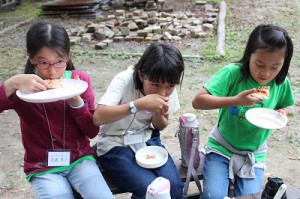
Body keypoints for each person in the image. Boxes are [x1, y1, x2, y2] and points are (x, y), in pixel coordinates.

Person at [0, 22, 114, 199]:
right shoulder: (22, 87)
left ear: (68, 56)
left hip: (80, 160)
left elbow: (92, 131)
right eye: (43, 63)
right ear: (31, 59)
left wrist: (76, 100)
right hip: (42, 166)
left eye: (59, 62)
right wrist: (12, 83)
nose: (52, 72)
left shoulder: (80, 81)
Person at [192, 24, 295, 198]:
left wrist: (282, 113)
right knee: (212, 196)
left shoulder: (280, 82)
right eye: (260, 64)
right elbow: (198, 101)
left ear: (283, 65)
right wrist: (237, 100)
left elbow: (283, 106)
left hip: (254, 154)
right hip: (221, 148)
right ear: (249, 54)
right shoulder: (233, 74)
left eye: (275, 67)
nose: (266, 73)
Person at [93, 42, 185, 199]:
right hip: (115, 143)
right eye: (155, 84)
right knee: (150, 190)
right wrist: (137, 105)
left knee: (174, 188)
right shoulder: (123, 80)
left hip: (148, 140)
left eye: (170, 86)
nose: (163, 92)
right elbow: (98, 117)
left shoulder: (167, 85)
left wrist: (158, 113)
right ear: (141, 75)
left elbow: (160, 125)